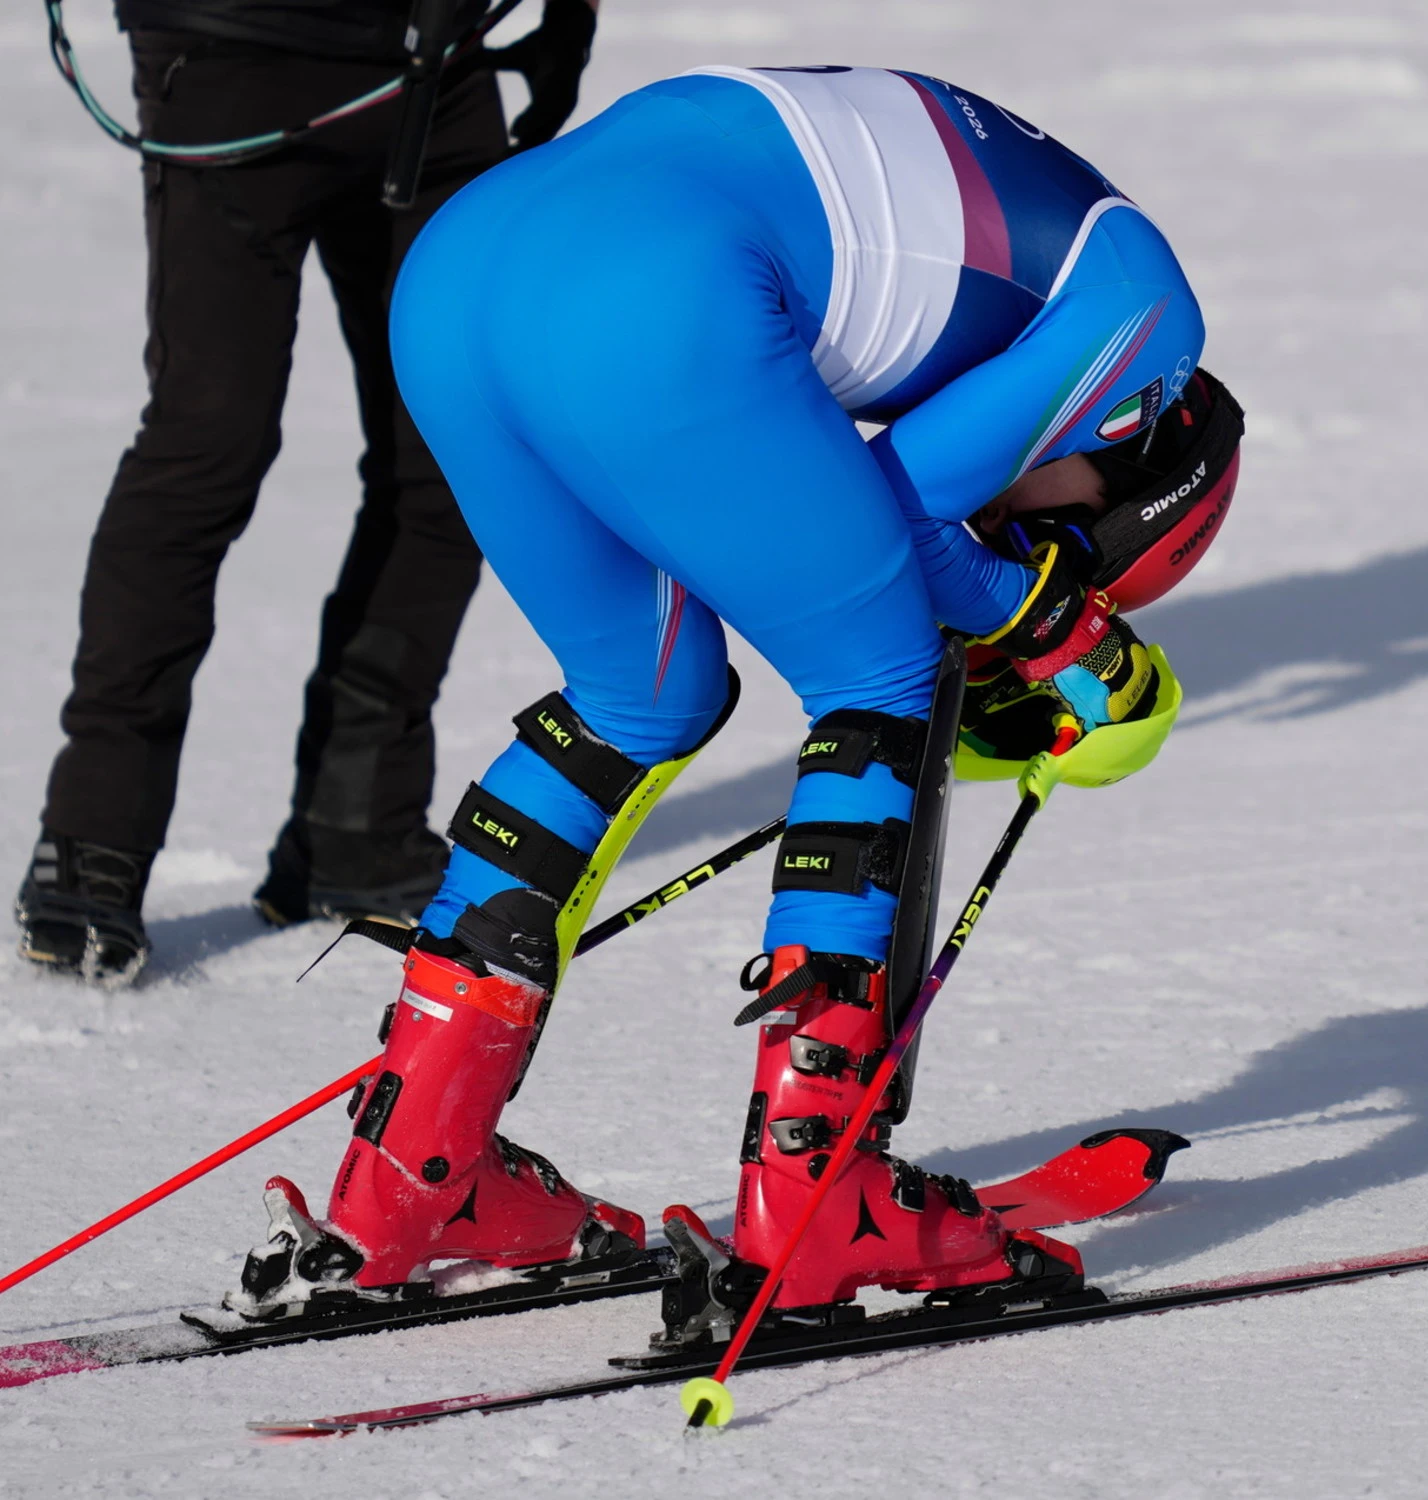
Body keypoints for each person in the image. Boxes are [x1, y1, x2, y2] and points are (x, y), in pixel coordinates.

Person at [220, 65, 1244, 1333]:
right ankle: (824, 1202)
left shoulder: (1049, 280)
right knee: (876, 679)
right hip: (648, 287)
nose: (1020, 533)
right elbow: (917, 515)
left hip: (461, 270)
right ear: (1133, 450)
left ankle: (410, 1181)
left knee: (638, 697)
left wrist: (1029, 618)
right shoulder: (1148, 314)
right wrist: (1063, 632)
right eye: (1064, 538)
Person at [16, 0, 601, 988]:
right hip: (231, 51)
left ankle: (354, 829)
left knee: (451, 455)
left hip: (438, 60)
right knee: (208, 446)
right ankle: (92, 841)